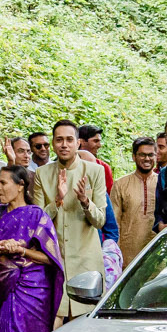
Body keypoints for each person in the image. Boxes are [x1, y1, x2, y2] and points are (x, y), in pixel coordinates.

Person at [0, 165, 66, 332]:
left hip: (33, 291)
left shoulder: (37, 215)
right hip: (4, 287)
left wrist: (22, 251)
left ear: (20, 186)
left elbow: (50, 257)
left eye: (3, 183)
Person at [38, 121, 107, 321]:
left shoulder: (94, 171)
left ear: (78, 143)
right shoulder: (42, 174)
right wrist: (57, 201)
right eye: (59, 140)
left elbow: (100, 221)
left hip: (86, 262)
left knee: (86, 328)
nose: (64, 145)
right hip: (54, 262)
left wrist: (86, 202)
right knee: (54, 327)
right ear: (53, 144)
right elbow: (38, 223)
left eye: (69, 140)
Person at [112, 136, 161, 262]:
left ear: (156, 156)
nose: (147, 159)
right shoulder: (120, 184)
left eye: (151, 155)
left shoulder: (163, 182)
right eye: (142, 155)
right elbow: (114, 222)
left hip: (157, 251)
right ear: (134, 157)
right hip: (128, 254)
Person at [75, 125, 116, 191]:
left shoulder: (103, 167)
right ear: (81, 142)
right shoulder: (65, 164)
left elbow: (108, 195)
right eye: (95, 141)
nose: (99, 145)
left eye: (99, 141)